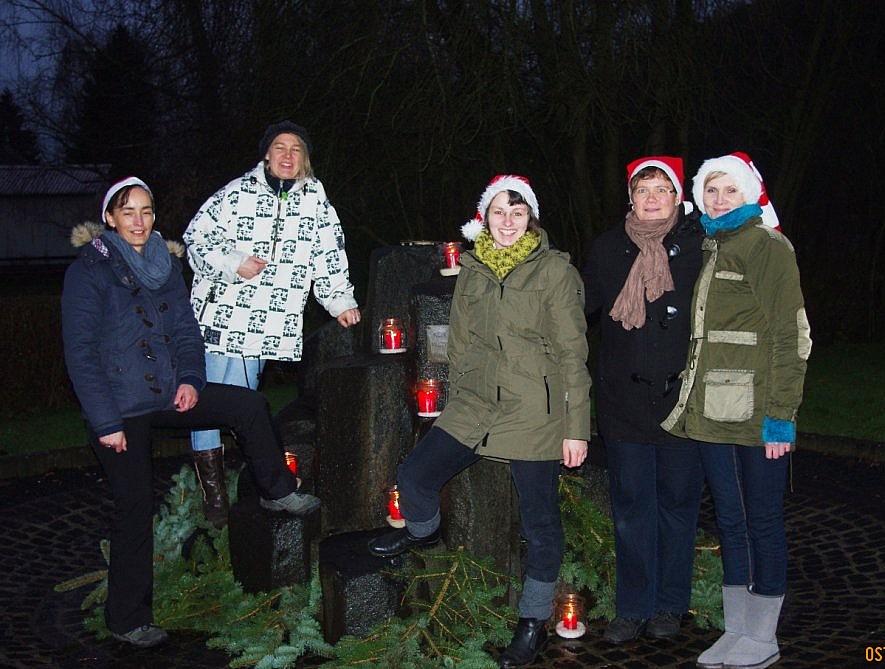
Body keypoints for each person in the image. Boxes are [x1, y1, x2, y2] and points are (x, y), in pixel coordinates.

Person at [62, 177, 321, 648]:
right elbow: (80, 353)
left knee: (248, 404)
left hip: (165, 391)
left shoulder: (165, 264)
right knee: (134, 507)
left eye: (146, 211)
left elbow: (184, 332)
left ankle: (277, 491)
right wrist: (106, 423)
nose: (138, 221)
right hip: (119, 408)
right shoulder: (90, 271)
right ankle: (128, 619)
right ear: (110, 219)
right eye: (128, 212)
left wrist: (190, 381)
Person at [366, 175, 591, 668]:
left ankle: (532, 623)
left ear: (529, 218)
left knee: (541, 524)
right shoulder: (472, 268)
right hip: (475, 405)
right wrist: (456, 395)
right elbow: (461, 340)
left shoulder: (554, 272)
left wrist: (576, 426)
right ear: (484, 219)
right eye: (497, 212)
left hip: (536, 409)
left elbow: (574, 354)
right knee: (415, 474)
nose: (507, 222)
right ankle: (423, 532)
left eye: (516, 212)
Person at [661, 152, 811, 669]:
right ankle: (737, 629)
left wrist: (780, 414)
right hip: (711, 409)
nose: (718, 198)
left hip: (756, 412)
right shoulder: (710, 245)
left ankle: (764, 636)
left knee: (762, 519)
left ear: (749, 195)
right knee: (729, 518)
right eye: (711, 189)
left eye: (729, 190)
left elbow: (789, 335)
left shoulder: (766, 246)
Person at [183, 120, 360, 528]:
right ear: (266, 154)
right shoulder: (236, 193)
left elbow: (328, 252)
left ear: (304, 159)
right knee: (209, 402)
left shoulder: (315, 199)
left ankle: (256, 480)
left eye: (295, 149)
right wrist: (234, 263)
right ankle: (213, 497)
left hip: (265, 321)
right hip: (221, 312)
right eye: (279, 147)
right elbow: (197, 237)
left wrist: (340, 302)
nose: (287, 155)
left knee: (244, 402)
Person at [581, 156, 705, 644]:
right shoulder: (609, 248)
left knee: (678, 507)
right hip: (624, 404)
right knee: (632, 509)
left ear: (677, 196)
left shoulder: (700, 245)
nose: (651, 198)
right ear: (629, 198)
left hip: (681, 402)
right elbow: (576, 305)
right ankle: (632, 607)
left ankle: (671, 604)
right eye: (642, 190)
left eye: (661, 189)